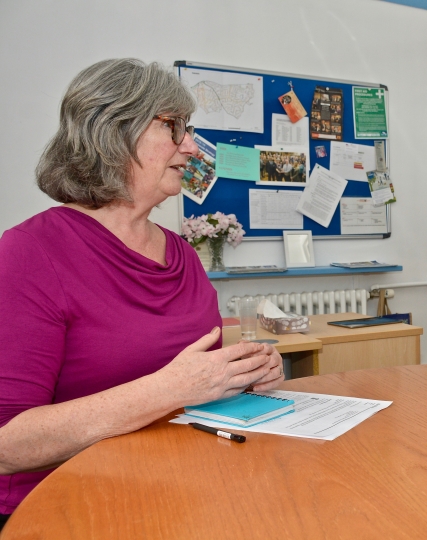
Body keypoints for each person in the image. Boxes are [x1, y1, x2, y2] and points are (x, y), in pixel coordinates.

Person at [0, 59, 285, 525]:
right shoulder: (31, 253)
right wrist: (168, 390)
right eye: (174, 127)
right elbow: (6, 444)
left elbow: (187, 372)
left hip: (176, 486)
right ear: (113, 133)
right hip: (64, 510)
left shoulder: (182, 254)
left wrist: (240, 373)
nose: (192, 147)